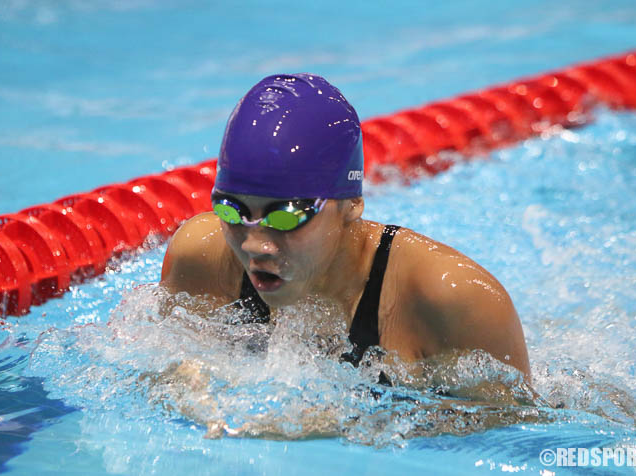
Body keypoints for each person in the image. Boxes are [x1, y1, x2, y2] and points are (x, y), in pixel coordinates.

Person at [160, 73, 531, 383]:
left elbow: (513, 436)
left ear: (351, 203)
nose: (255, 244)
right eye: (232, 211)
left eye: (287, 216)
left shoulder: (454, 300)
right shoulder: (201, 259)